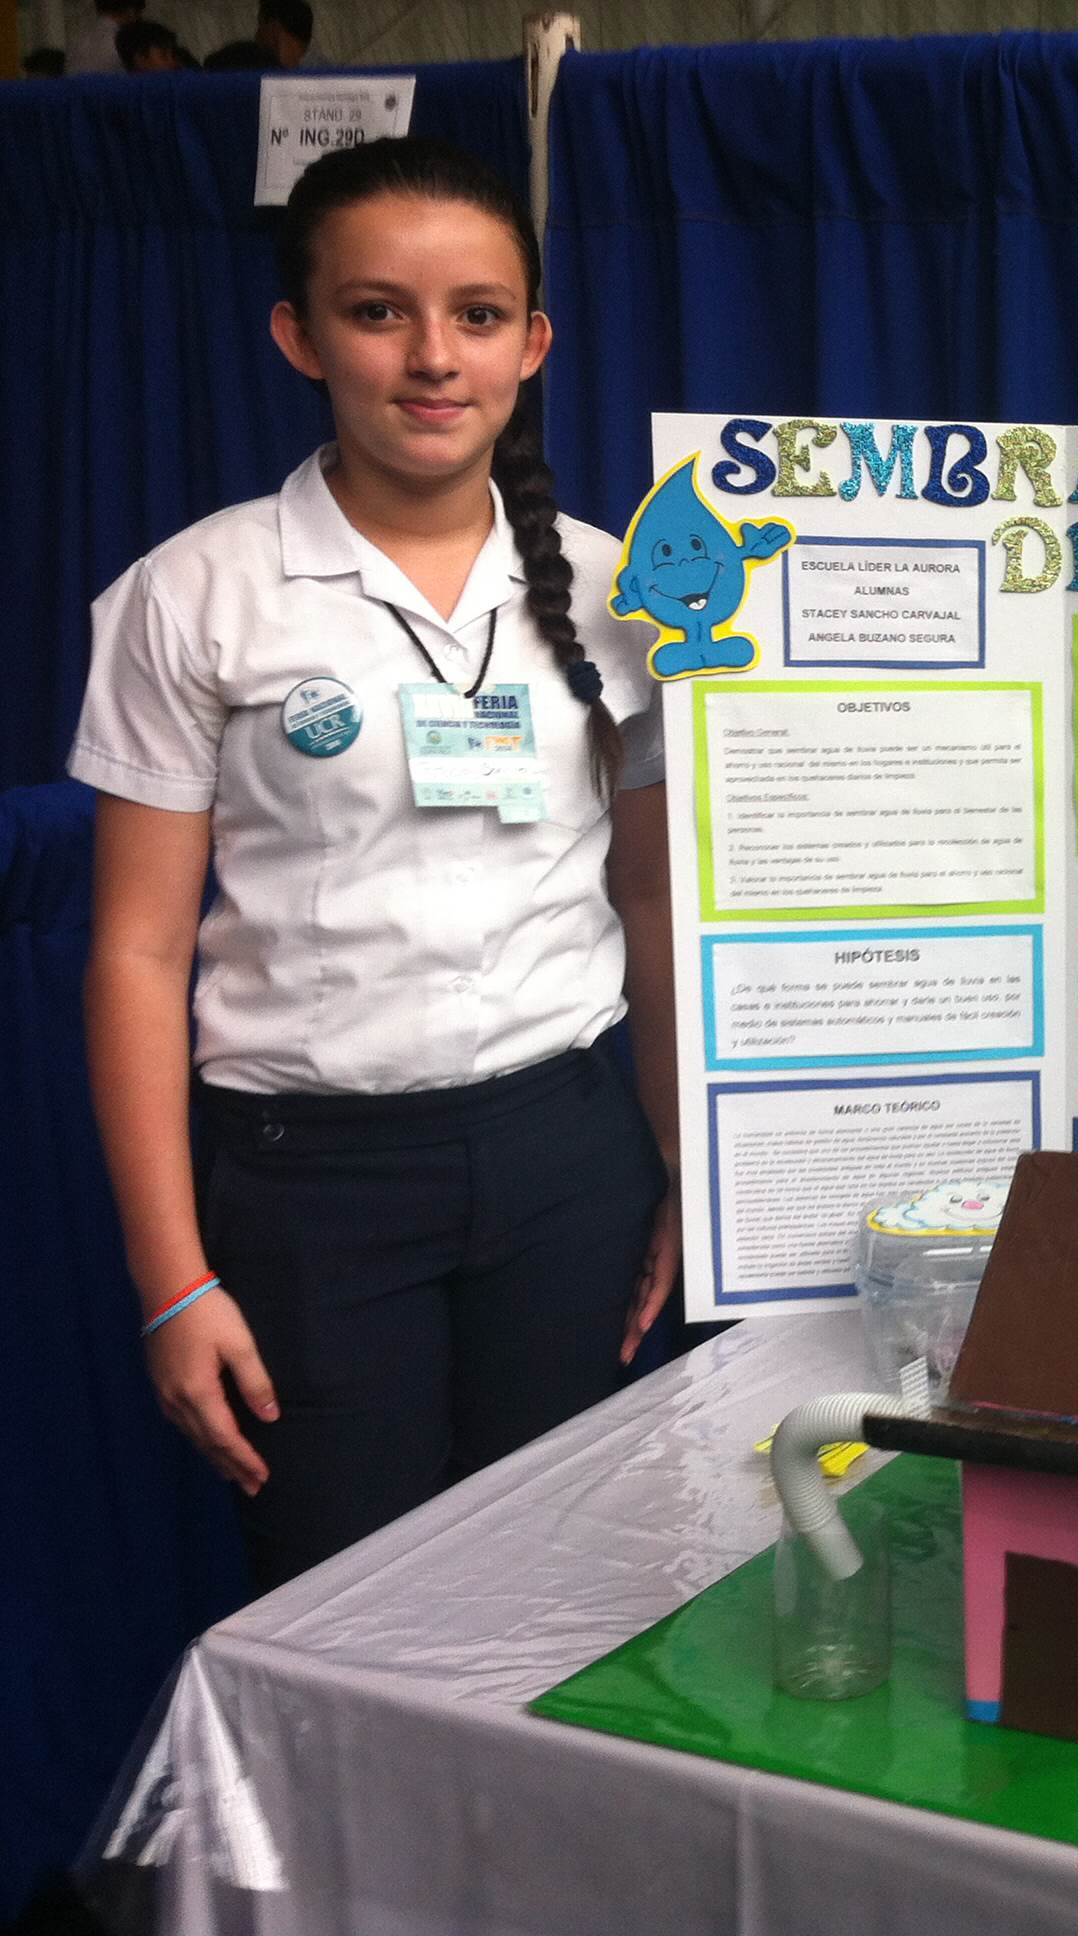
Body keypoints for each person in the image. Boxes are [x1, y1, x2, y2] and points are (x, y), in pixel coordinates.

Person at [74, 137, 679, 1594]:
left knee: (557, 1601)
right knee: (346, 1605)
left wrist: (680, 1165)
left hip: (565, 1165)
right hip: (311, 1190)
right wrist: (173, 1280)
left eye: (477, 315)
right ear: (299, 333)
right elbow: (138, 955)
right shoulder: (196, 594)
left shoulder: (624, 594)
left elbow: (649, 900)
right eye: (376, 311)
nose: (431, 357)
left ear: (532, 344)